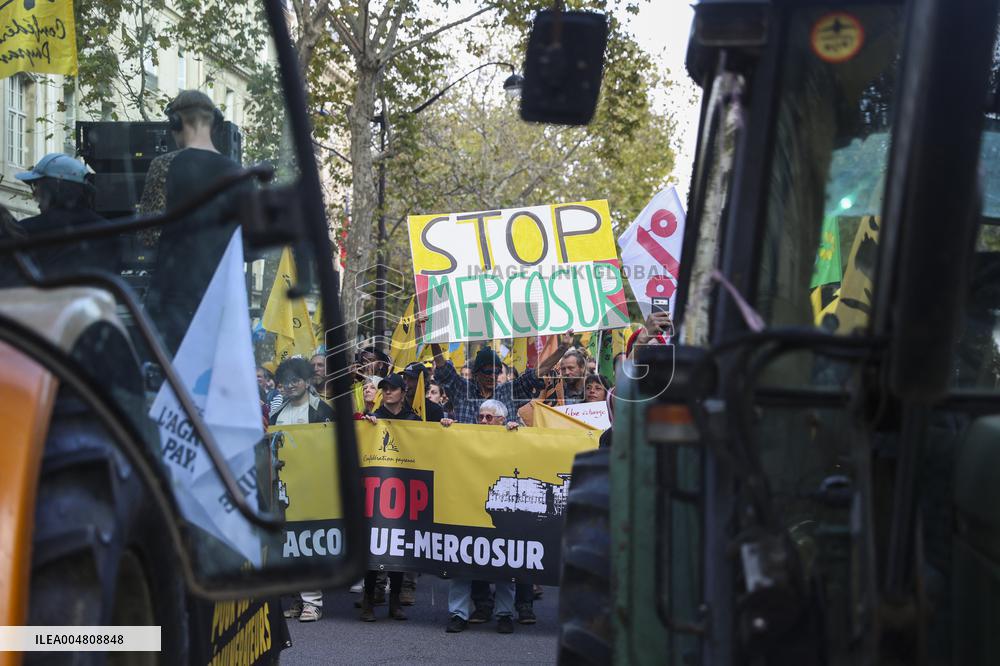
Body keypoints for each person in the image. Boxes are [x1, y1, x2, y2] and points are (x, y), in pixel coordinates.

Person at [139, 90, 245, 354]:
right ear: (214, 123)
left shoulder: (164, 166)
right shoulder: (237, 173)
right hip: (221, 302)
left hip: (172, 301)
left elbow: (149, 235)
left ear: (176, 122)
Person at [441, 400, 520, 634]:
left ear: (502, 420)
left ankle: (505, 614)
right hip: (469, 508)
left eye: (489, 417)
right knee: (461, 561)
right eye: (481, 417)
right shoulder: (468, 437)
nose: (483, 421)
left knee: (507, 563)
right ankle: (458, 614)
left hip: (502, 512)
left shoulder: (514, 437)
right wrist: (446, 430)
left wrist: (519, 434)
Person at [269, 357, 334, 623]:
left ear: (307, 381)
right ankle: (297, 599)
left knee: (308, 542)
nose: (290, 385)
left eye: (296, 379)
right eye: (286, 381)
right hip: (284, 489)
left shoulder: (323, 411)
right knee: (288, 545)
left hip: (312, 486)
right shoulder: (277, 414)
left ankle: (312, 603)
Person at [359, 373, 420, 621]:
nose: (388, 393)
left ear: (403, 393)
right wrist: (366, 423)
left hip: (403, 490)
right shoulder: (375, 419)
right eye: (385, 389)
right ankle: (368, 601)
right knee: (374, 548)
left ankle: (394, 602)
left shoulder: (414, 420)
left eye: (393, 389)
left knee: (398, 549)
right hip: (377, 490)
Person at [9, 153, 118, 281]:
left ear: (55, 187)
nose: (34, 193)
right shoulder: (108, 231)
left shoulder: (25, 231)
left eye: (37, 185)